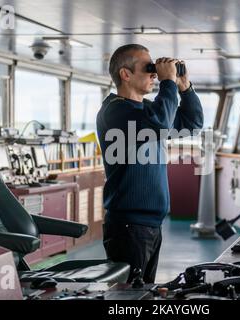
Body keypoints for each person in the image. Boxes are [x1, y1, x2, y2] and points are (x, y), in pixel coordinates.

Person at [96, 44, 203, 283]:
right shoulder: (115, 111)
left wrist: (184, 88)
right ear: (125, 74)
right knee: (128, 299)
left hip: (149, 225)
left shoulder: (145, 111)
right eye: (148, 68)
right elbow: (161, 124)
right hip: (128, 226)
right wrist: (167, 82)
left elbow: (192, 124)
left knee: (144, 294)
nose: (154, 74)